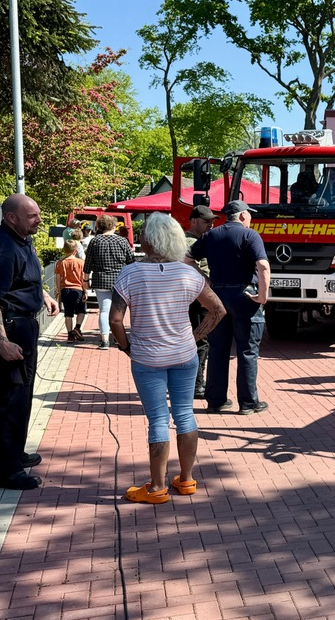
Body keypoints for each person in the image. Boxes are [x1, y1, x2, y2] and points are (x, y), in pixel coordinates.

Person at [110, 213, 226, 504]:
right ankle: (186, 480)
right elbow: (218, 310)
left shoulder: (130, 273)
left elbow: (115, 320)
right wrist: (196, 336)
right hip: (184, 354)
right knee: (185, 413)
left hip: (147, 357)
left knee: (158, 419)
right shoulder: (189, 273)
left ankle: (157, 488)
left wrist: (127, 347)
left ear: (150, 240)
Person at [0, 194, 60, 490]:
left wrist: (44, 295)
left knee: (22, 395)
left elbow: (23, 282)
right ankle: (4, 471)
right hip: (9, 328)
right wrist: (1, 341)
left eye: (38, 213)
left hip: (23, 324)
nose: (38, 219)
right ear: (11, 217)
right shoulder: (3, 247)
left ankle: (12, 454)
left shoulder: (22, 239)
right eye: (32, 215)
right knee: (10, 397)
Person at [186, 200, 271, 414]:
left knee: (217, 349)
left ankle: (215, 401)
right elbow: (262, 266)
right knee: (247, 351)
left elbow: (186, 259)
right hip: (245, 296)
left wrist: (205, 281)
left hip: (217, 297)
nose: (250, 218)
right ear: (242, 216)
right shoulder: (250, 235)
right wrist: (262, 295)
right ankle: (248, 403)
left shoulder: (210, 235)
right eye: (249, 214)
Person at [83, 214, 135, 349]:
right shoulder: (122, 241)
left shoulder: (95, 241)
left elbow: (88, 263)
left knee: (104, 310)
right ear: (114, 226)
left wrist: (85, 280)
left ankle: (104, 340)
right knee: (119, 312)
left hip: (101, 280)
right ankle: (119, 338)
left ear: (99, 226)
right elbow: (131, 262)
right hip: (120, 280)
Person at [184, 205, 216, 399]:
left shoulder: (203, 239)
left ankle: (193, 383)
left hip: (194, 298)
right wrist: (207, 281)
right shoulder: (188, 242)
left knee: (198, 341)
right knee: (200, 340)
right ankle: (197, 385)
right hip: (197, 298)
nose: (210, 225)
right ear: (194, 221)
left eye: (212, 221)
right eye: (206, 221)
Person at [54, 241, 88, 343]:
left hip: (66, 290)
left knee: (68, 314)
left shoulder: (60, 263)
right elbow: (83, 279)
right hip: (78, 289)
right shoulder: (81, 262)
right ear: (76, 251)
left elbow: (57, 279)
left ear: (64, 250)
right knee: (81, 311)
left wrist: (59, 293)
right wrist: (85, 292)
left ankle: (70, 336)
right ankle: (77, 328)